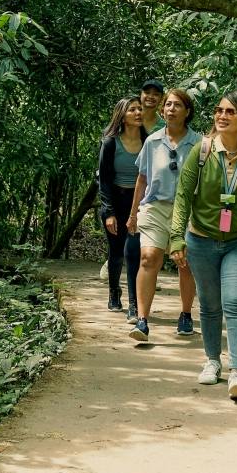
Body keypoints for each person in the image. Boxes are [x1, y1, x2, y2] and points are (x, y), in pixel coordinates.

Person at [171, 89, 237, 401]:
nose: (221, 116)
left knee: (235, 302)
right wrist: (176, 236)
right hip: (201, 238)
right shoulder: (202, 150)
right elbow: (183, 195)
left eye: (230, 112)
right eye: (219, 110)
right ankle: (212, 361)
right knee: (211, 304)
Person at [127, 87, 199, 342]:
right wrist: (133, 213)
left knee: (185, 262)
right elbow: (142, 178)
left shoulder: (200, 144)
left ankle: (186, 314)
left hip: (188, 210)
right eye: (167, 105)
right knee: (148, 258)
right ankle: (143, 320)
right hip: (155, 207)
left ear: (187, 111)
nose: (170, 109)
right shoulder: (153, 141)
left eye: (177, 105)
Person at [96, 97, 147, 315]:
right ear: (122, 116)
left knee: (134, 252)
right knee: (116, 251)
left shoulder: (150, 141)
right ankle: (114, 292)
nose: (138, 112)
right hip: (115, 200)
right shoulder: (110, 143)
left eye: (140, 109)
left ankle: (135, 302)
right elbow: (104, 179)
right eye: (132, 109)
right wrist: (109, 212)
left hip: (140, 203)